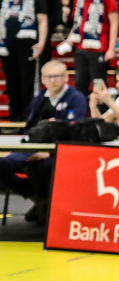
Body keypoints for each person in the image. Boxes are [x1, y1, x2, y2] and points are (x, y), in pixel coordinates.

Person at [1, 60, 88, 220]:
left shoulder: (76, 98)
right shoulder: (40, 98)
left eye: (57, 76)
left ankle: (49, 206)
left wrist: (49, 152)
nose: (53, 80)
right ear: (43, 79)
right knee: (2, 164)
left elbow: (75, 131)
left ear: (66, 77)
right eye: (49, 77)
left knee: (39, 167)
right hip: (31, 148)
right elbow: (30, 127)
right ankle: (37, 198)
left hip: (60, 151)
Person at [0, 0, 48, 117]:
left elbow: (43, 21)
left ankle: (30, 115)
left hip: (27, 45)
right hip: (7, 45)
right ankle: (15, 116)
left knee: (27, 82)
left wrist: (41, 43)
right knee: (12, 82)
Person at [64, 0, 118, 88]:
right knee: (79, 83)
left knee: (98, 85)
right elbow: (77, 22)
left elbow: (114, 23)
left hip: (99, 48)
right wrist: (69, 38)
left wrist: (111, 49)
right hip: (80, 48)